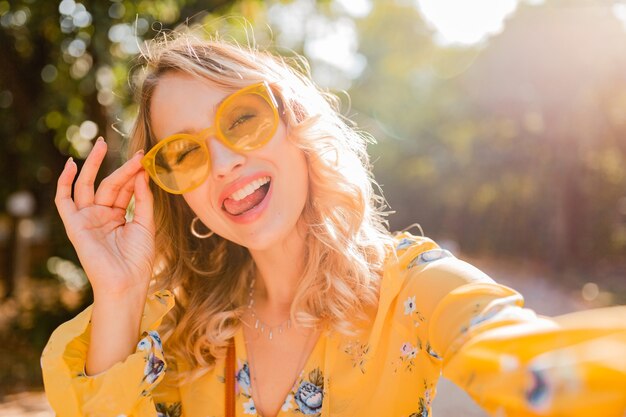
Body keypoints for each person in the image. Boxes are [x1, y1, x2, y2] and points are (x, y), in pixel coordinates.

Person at [41, 31, 626, 417]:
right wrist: (118, 292)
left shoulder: (410, 285)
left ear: (297, 124)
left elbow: (528, 359)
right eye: (185, 153)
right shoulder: (175, 323)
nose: (224, 164)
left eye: (242, 119)